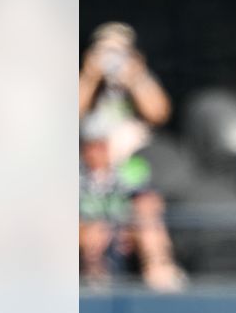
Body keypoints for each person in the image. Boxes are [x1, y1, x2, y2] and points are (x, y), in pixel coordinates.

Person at [79, 114, 185, 292]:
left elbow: (149, 202)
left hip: (124, 230)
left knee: (148, 225)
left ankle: (161, 276)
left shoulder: (130, 169)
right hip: (87, 234)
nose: (97, 151)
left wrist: (123, 228)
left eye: (101, 144)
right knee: (91, 233)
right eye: (91, 145)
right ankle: (95, 285)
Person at [79, 21, 172, 165]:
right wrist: (90, 77)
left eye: (119, 52)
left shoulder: (140, 77)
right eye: (105, 51)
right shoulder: (87, 79)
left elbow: (159, 115)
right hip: (93, 161)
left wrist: (135, 80)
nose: (112, 59)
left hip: (134, 162)